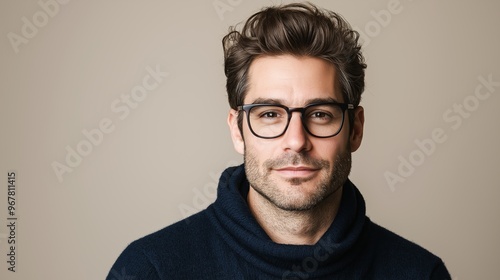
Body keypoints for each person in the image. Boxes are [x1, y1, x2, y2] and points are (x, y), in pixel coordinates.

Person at [107, 3, 451, 279]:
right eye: (270, 114)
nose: (297, 141)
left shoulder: (420, 272)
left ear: (355, 129)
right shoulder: (149, 269)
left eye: (320, 114)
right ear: (237, 129)